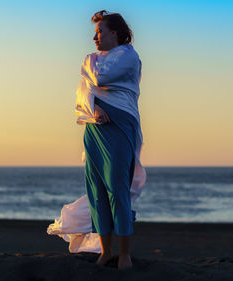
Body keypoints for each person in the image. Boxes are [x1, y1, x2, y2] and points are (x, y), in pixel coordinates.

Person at [47, 9, 146, 270]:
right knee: (96, 190)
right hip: (95, 126)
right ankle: (106, 251)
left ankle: (124, 254)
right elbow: (82, 93)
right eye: (95, 33)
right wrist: (94, 108)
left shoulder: (128, 56)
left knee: (117, 188)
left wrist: (88, 63)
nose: (95, 37)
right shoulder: (95, 58)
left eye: (100, 31)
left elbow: (99, 78)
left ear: (116, 33)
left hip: (120, 124)